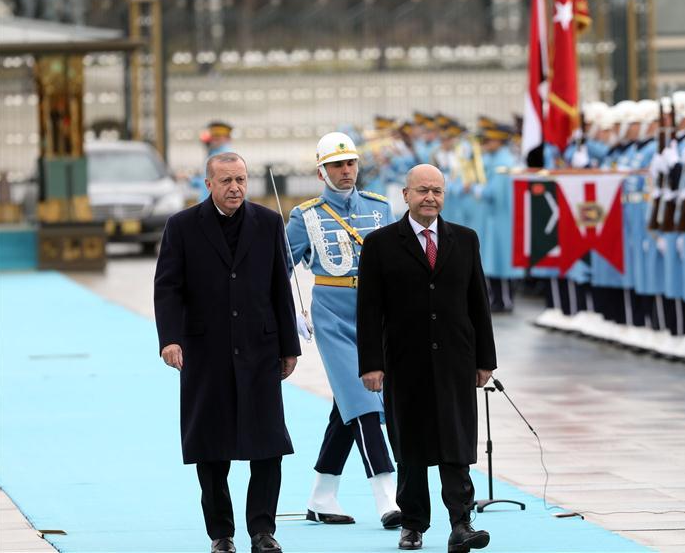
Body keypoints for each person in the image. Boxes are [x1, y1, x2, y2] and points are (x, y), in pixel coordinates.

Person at [154, 152, 299, 553]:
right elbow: (168, 287)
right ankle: (221, 534)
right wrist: (170, 338)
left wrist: (289, 346)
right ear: (209, 184)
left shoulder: (268, 223)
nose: (235, 188)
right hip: (205, 352)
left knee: (269, 446)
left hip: (260, 348)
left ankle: (262, 531)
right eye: (226, 181)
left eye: (241, 180)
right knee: (210, 447)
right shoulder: (181, 226)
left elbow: (279, 287)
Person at [356, 164, 496, 552]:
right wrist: (371, 364)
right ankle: (413, 523)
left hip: (456, 359)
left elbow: (478, 303)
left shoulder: (464, 240)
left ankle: (461, 524)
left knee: (456, 443)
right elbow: (369, 310)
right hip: (405, 360)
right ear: (405, 195)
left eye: (436, 191)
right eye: (422, 191)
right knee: (411, 446)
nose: (429, 197)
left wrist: (485, 359)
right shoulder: (381, 244)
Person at [285, 132, 402, 529]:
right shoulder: (307, 215)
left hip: (376, 316)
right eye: (337, 165)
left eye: (350, 163)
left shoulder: (380, 208)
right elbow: (277, 268)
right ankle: (388, 497)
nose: (346, 171)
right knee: (366, 403)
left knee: (347, 408)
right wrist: (290, 312)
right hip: (333, 318)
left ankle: (322, 495)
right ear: (322, 171)